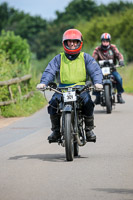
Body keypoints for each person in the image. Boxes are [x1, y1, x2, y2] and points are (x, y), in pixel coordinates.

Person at [37, 29, 103, 142]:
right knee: (53, 104)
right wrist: (44, 82)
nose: (72, 44)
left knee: (88, 103)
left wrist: (97, 83)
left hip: (81, 89)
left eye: (75, 41)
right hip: (62, 89)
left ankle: (88, 130)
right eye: (69, 41)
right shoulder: (59, 58)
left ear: (79, 43)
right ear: (64, 43)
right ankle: (56, 131)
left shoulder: (85, 57)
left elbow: (95, 70)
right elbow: (50, 71)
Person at [92, 32, 125, 104]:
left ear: (109, 42)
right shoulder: (97, 49)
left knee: (119, 78)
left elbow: (118, 54)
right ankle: (97, 97)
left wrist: (121, 60)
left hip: (112, 69)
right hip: (101, 70)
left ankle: (119, 95)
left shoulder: (113, 47)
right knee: (95, 79)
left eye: (107, 41)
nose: (105, 43)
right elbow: (93, 58)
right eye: (104, 41)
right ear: (101, 41)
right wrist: (93, 64)